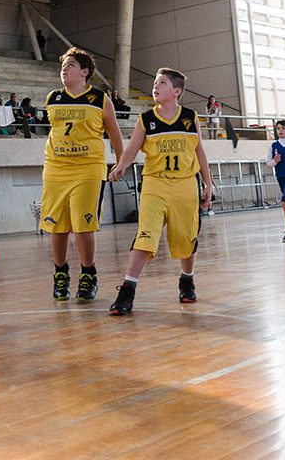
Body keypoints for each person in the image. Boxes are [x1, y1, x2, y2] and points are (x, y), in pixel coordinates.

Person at [106, 68, 212, 316]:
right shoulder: (146, 119)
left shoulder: (190, 117)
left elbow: (199, 152)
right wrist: (121, 166)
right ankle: (127, 290)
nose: (155, 87)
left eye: (162, 83)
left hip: (185, 184)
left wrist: (208, 182)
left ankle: (187, 279)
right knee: (145, 235)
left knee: (186, 239)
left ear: (176, 91)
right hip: (155, 184)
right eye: (155, 83)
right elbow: (131, 150)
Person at [41, 48, 125, 302]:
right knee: (57, 225)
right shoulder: (52, 98)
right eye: (63, 65)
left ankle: (88, 274)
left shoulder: (99, 99)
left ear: (85, 72)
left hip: (88, 168)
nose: (64, 69)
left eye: (71, 65)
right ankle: (61, 274)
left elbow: (114, 133)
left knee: (83, 225)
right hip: (56, 168)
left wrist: (121, 162)